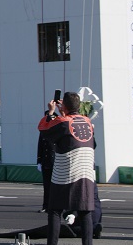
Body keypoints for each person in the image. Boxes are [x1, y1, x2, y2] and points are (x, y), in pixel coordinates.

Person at [38, 92, 95, 245]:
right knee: (85, 212)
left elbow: (44, 130)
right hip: (86, 171)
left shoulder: (63, 121)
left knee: (55, 210)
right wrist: (64, 111)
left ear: (64, 106)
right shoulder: (87, 121)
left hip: (66, 171)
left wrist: (51, 112)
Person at [37, 110, 56, 213]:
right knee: (47, 186)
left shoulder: (57, 130)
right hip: (46, 161)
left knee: (57, 186)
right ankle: (46, 206)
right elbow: (40, 146)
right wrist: (39, 161)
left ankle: (57, 206)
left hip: (57, 162)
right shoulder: (43, 132)